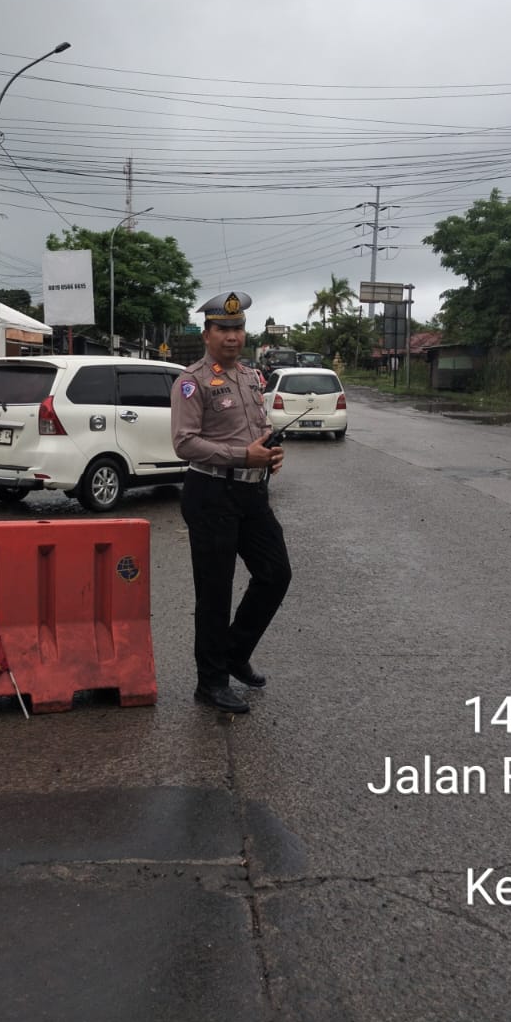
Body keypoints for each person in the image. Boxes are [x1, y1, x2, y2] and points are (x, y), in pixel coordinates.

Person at [170, 291, 291, 715]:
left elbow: (256, 428)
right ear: (207, 334)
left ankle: (235, 653)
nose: (232, 336)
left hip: (251, 492)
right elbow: (184, 443)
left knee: (275, 574)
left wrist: (269, 453)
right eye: (223, 328)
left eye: (238, 328)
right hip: (211, 493)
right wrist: (243, 456)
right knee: (215, 591)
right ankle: (211, 682)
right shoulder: (192, 381)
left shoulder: (250, 377)